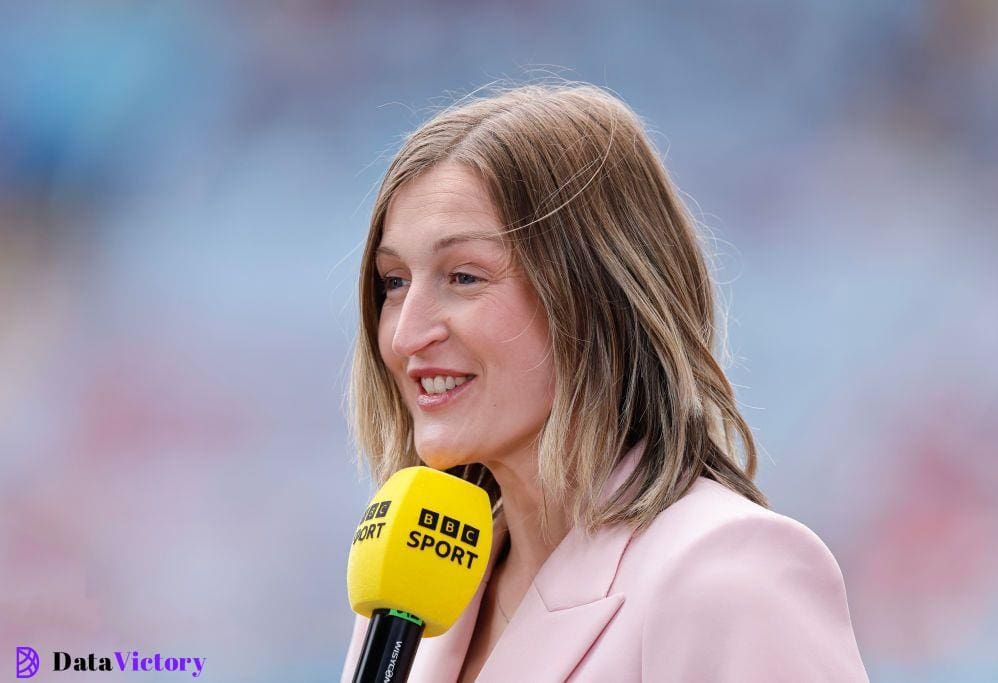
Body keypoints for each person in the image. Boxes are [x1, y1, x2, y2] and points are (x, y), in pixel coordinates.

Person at [341, 82, 869, 682]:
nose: (406, 336)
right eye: (393, 283)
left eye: (463, 276)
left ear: (597, 297)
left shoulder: (727, 575)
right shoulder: (409, 596)